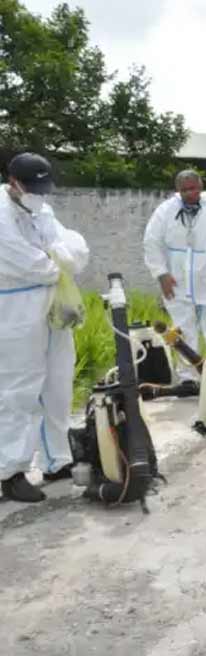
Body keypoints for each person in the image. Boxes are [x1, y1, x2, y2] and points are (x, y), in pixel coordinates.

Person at [0, 153, 89, 502]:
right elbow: (27, 262)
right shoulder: (1, 213)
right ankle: (10, 471)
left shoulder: (42, 209)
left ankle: (57, 459)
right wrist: (58, 262)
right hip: (16, 308)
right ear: (14, 182)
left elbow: (74, 249)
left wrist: (61, 259)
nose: (40, 194)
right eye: (33, 188)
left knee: (58, 381)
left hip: (52, 304)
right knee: (20, 389)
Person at [143, 170, 206, 386]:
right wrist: (161, 274)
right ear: (178, 190)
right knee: (183, 329)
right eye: (184, 190)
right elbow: (151, 242)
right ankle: (188, 377)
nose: (190, 193)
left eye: (193, 188)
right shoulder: (165, 210)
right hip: (176, 280)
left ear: (201, 186)